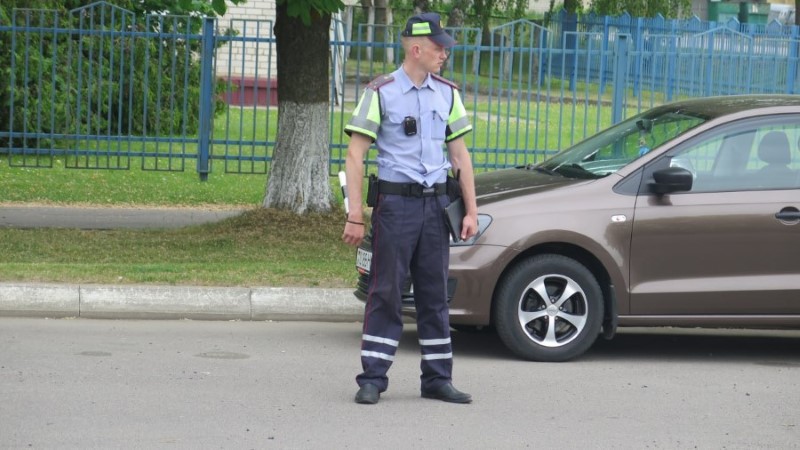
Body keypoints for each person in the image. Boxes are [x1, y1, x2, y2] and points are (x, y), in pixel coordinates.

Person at [341, 12, 478, 405]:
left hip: (435, 207)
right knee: (386, 291)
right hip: (396, 205)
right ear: (416, 49)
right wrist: (355, 214)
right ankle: (372, 378)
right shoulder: (381, 92)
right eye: (439, 48)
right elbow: (355, 155)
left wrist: (471, 211)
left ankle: (437, 379)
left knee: (434, 294)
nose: (445, 54)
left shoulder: (447, 94)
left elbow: (460, 156)